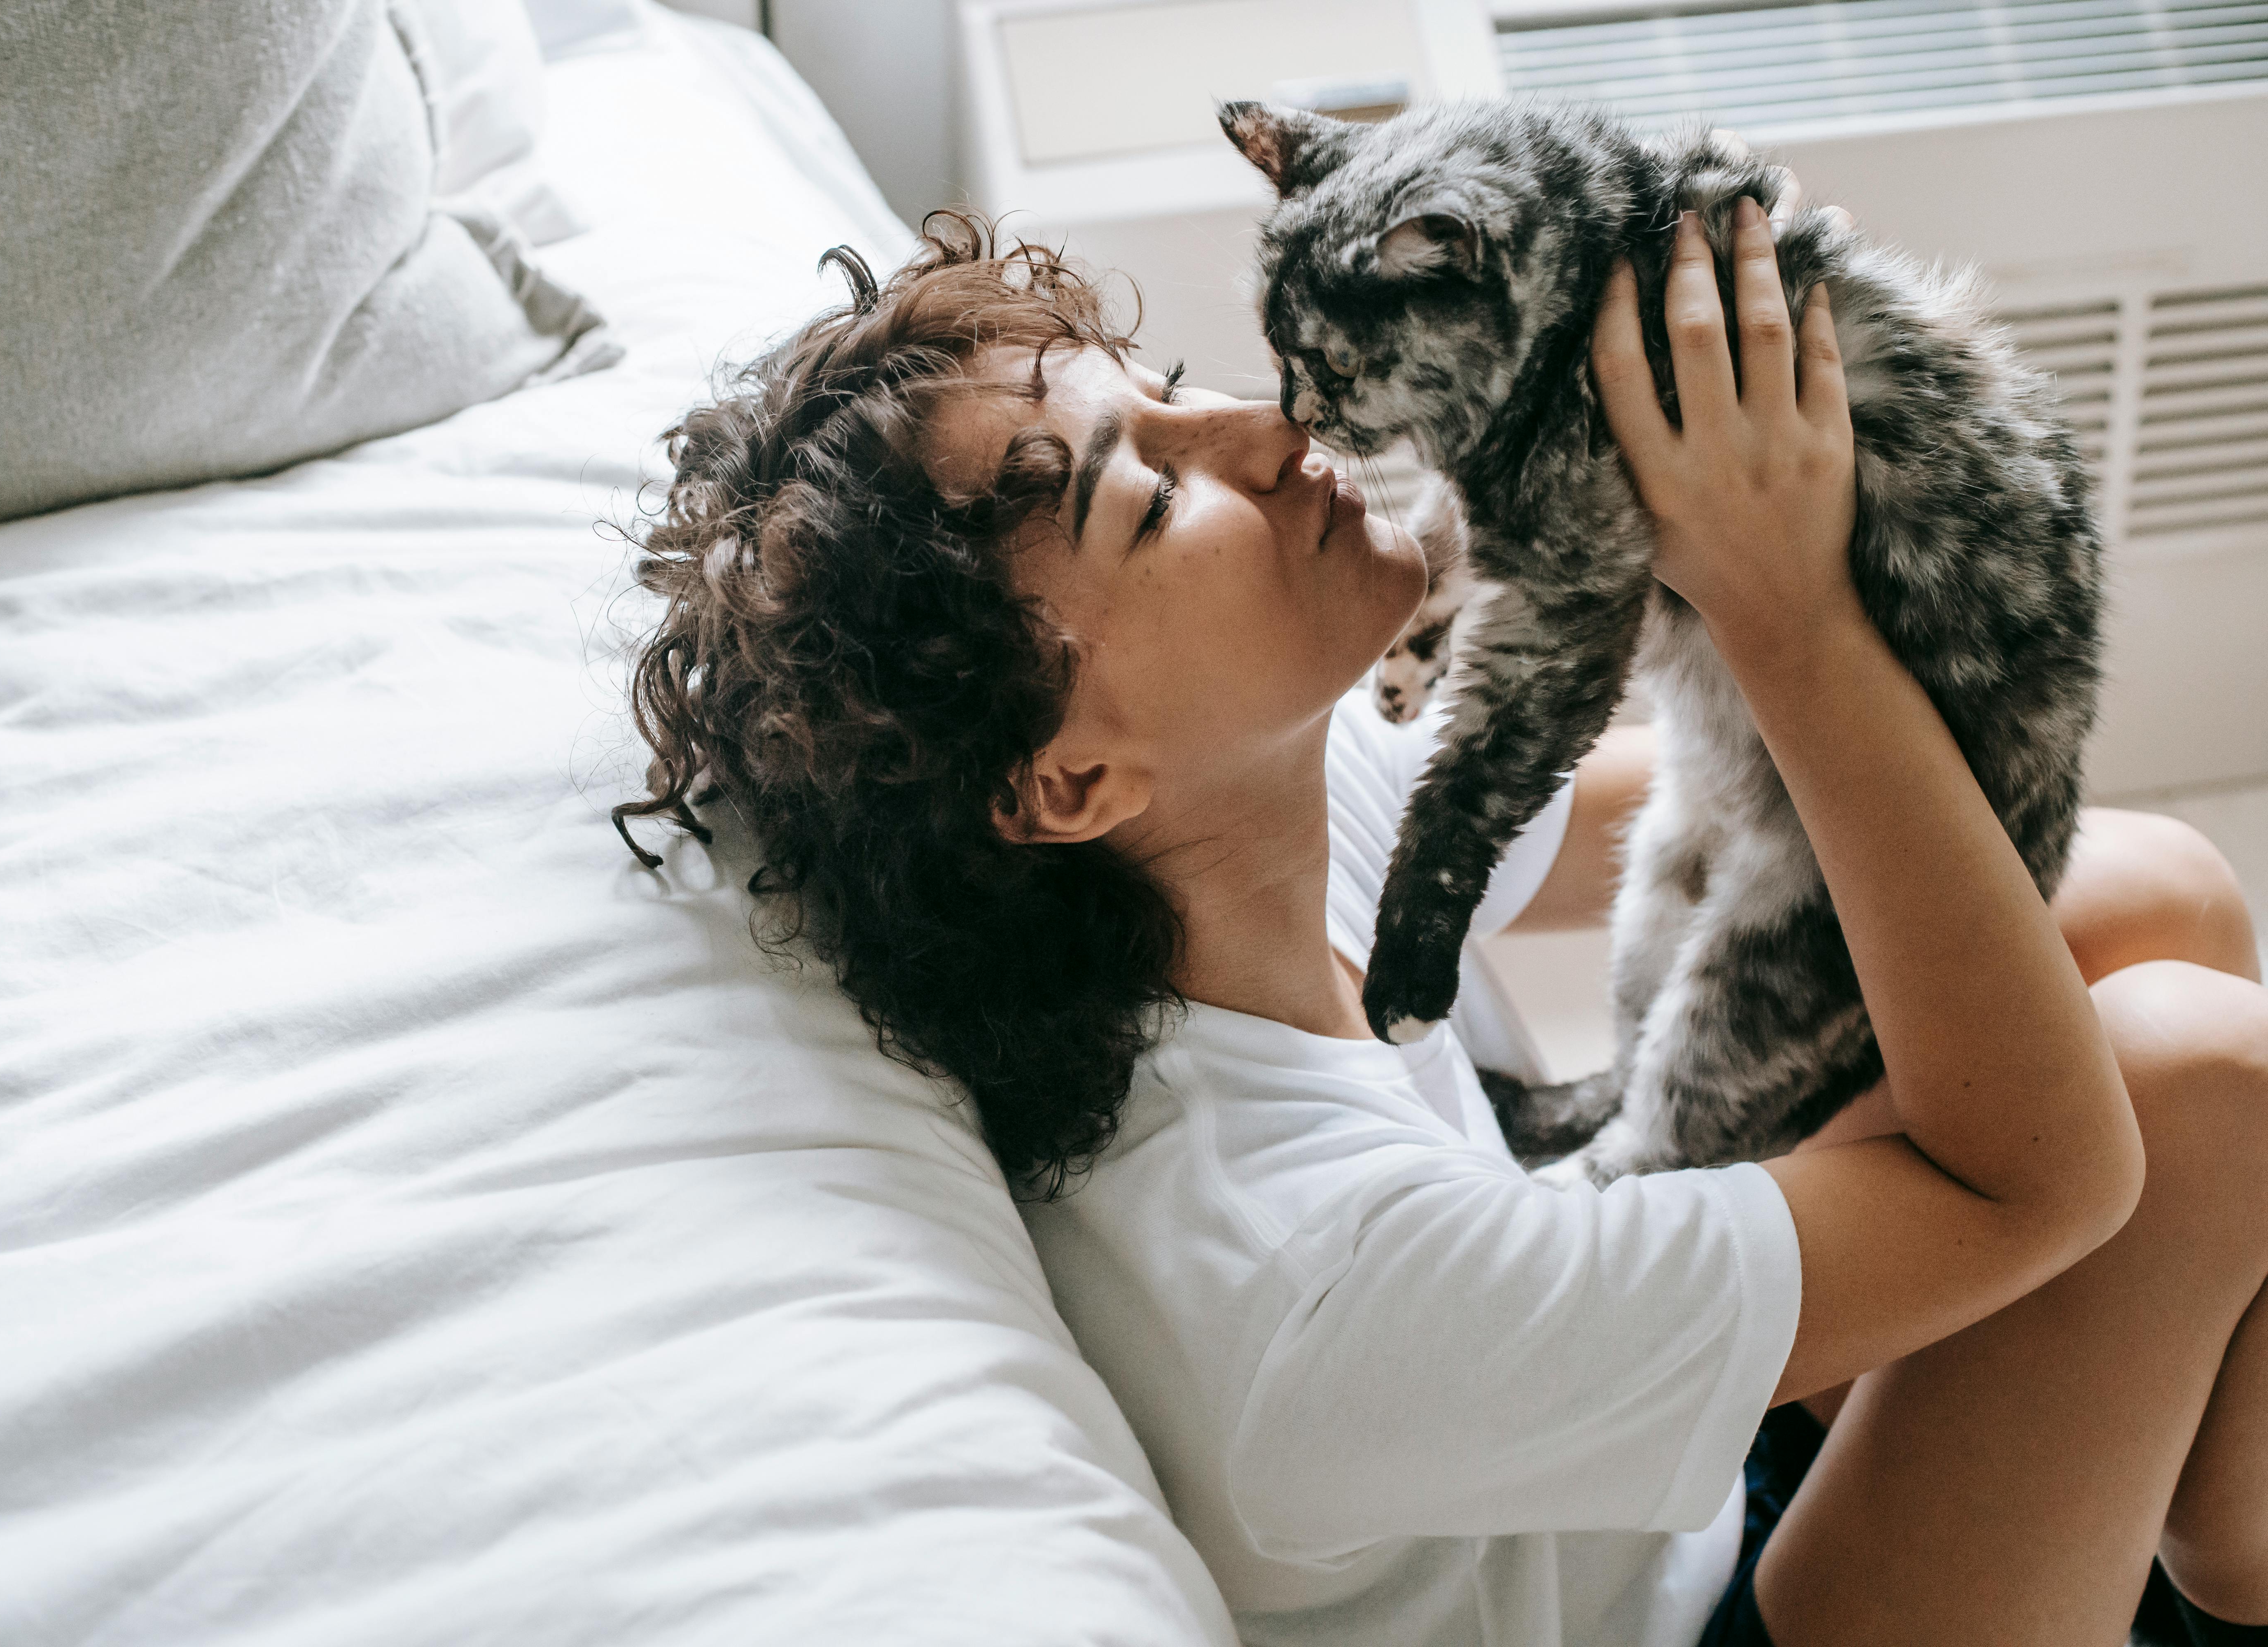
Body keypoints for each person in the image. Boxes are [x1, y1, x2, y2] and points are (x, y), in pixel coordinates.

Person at [615, 206, 2268, 1645]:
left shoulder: (1223, 836)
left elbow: (1723, 829)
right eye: (1151, 497)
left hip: (1615, 1486)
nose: (1267, 432)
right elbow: (2041, 1179)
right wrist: (1784, 607)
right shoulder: (1315, 1288)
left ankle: (2219, 1562)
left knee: (2146, 888)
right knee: (2196, 1089)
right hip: (1668, 1615)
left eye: (1175, 395)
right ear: (1068, 782)